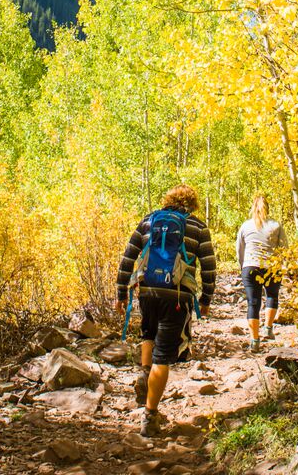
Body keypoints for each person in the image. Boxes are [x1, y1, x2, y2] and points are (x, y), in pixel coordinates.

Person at [115, 184, 216, 438]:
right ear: (191, 204)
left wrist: (120, 292)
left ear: (167, 200)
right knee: (163, 355)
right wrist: (206, 298)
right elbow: (208, 265)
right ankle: (150, 416)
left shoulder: (148, 221)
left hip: (147, 291)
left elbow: (129, 257)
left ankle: (144, 374)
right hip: (178, 296)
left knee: (148, 335)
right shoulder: (197, 227)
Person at [236, 194, 287, 354]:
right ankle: (268, 328)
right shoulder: (275, 225)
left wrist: (243, 265)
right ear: (268, 208)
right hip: (271, 266)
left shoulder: (245, 226)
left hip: (250, 265)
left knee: (253, 303)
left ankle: (254, 340)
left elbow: (240, 249)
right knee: (272, 296)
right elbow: (284, 248)